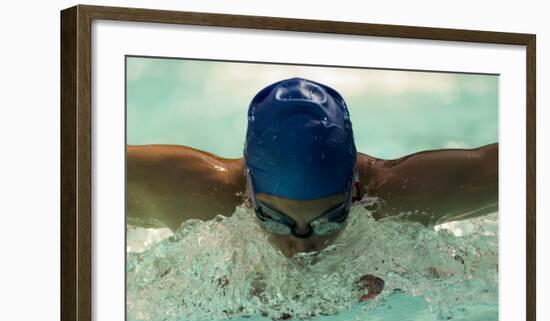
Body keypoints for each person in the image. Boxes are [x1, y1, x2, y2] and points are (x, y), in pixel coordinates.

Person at [127, 76, 498, 264]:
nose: (303, 247)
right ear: (248, 188)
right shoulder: (191, 194)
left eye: (330, 220)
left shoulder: (402, 197)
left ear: (354, 190)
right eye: (273, 219)